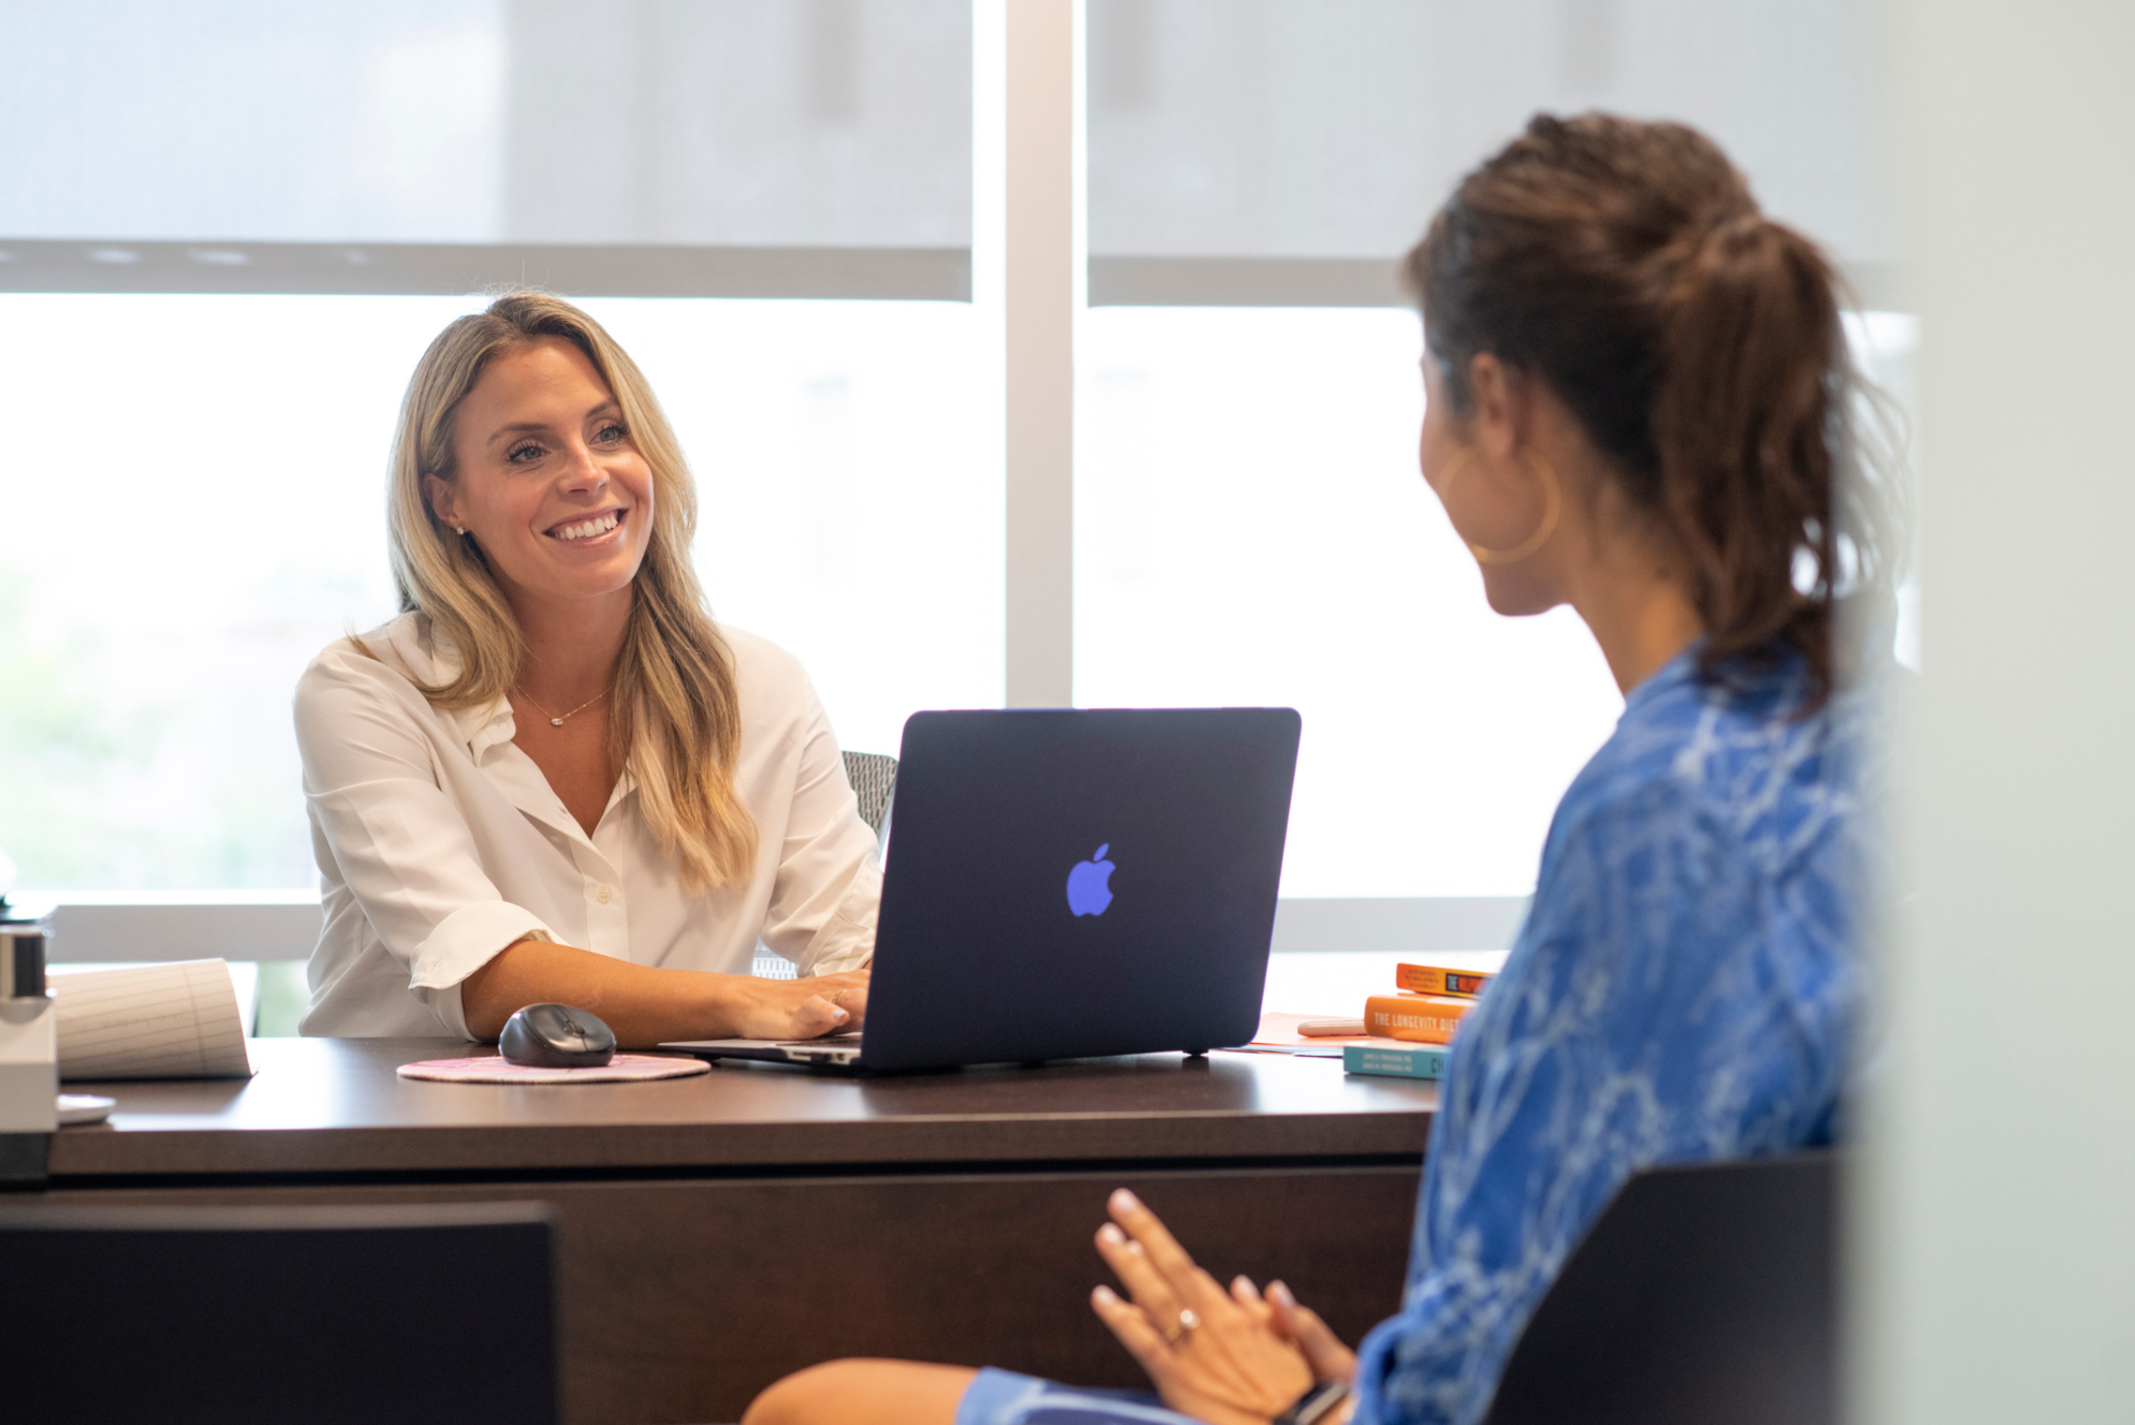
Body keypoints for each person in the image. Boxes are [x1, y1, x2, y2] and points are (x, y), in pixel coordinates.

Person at [742, 112, 1898, 1425]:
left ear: (1502, 404)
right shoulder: (1877, 737)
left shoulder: (1664, 815)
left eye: (1428, 384)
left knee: (819, 1405)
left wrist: (1304, 1411)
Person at [295, 293, 878, 1044]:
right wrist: (742, 1002)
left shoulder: (761, 687)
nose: (588, 473)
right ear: (448, 501)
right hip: (415, 1140)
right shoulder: (365, 690)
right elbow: (484, 977)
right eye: (527, 452)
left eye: (609, 432)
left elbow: (856, 940)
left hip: (679, 1132)